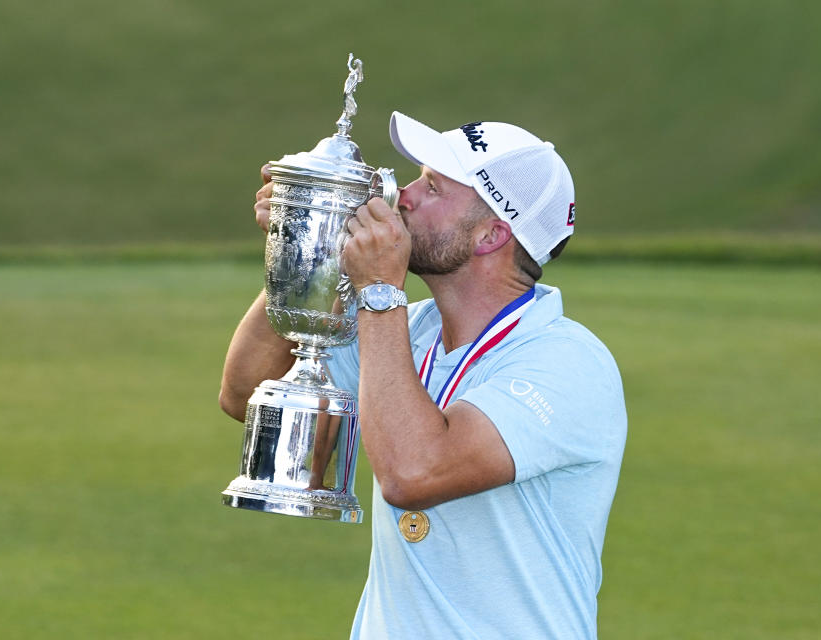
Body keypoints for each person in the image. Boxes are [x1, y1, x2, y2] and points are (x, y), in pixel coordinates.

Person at [220, 111, 627, 640]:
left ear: (490, 235)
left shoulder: (568, 362)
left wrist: (379, 290)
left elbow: (414, 475)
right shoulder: (405, 329)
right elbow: (246, 392)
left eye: (432, 186)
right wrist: (308, 244)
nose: (402, 196)